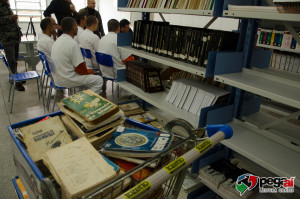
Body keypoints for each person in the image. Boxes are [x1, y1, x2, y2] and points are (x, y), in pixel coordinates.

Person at [51, 17, 103, 94]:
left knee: (84, 80)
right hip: (67, 79)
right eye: (76, 26)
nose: (77, 28)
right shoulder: (72, 44)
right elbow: (81, 70)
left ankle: (78, 97)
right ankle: (84, 101)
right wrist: (91, 72)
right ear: (73, 27)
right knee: (98, 80)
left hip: (57, 78)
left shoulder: (58, 41)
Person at [0, 0, 24, 91]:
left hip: (14, 36)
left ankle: (15, 77)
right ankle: (16, 82)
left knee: (15, 59)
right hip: (7, 38)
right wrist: (10, 18)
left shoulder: (6, 5)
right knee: (12, 61)